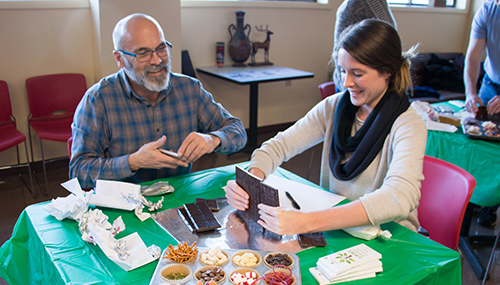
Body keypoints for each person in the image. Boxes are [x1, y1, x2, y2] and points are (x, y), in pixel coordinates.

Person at [224, 19, 426, 236]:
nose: (346, 82)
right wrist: (250, 181)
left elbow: (399, 197)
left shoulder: (408, 124)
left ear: (388, 72)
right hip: (338, 227)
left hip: (390, 238)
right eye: (342, 70)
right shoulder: (333, 107)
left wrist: (307, 222)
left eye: (357, 74)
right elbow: (277, 147)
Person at [70, 13, 247, 189]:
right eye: (143, 53)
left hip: (178, 197)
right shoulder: (98, 100)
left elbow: (238, 132)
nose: (157, 60)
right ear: (119, 58)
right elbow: (79, 173)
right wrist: (133, 162)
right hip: (123, 205)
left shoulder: (189, 89)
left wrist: (212, 139)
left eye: (161, 48)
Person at [464, 0, 500, 227]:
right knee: (481, 135)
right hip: (490, 83)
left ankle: (491, 205)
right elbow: (473, 57)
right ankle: (475, 198)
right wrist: (470, 92)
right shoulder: (487, 10)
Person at [333, 0, 397, 92]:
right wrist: (349, 94)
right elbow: (339, 52)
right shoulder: (355, 5)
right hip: (354, 88)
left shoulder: (380, 2)